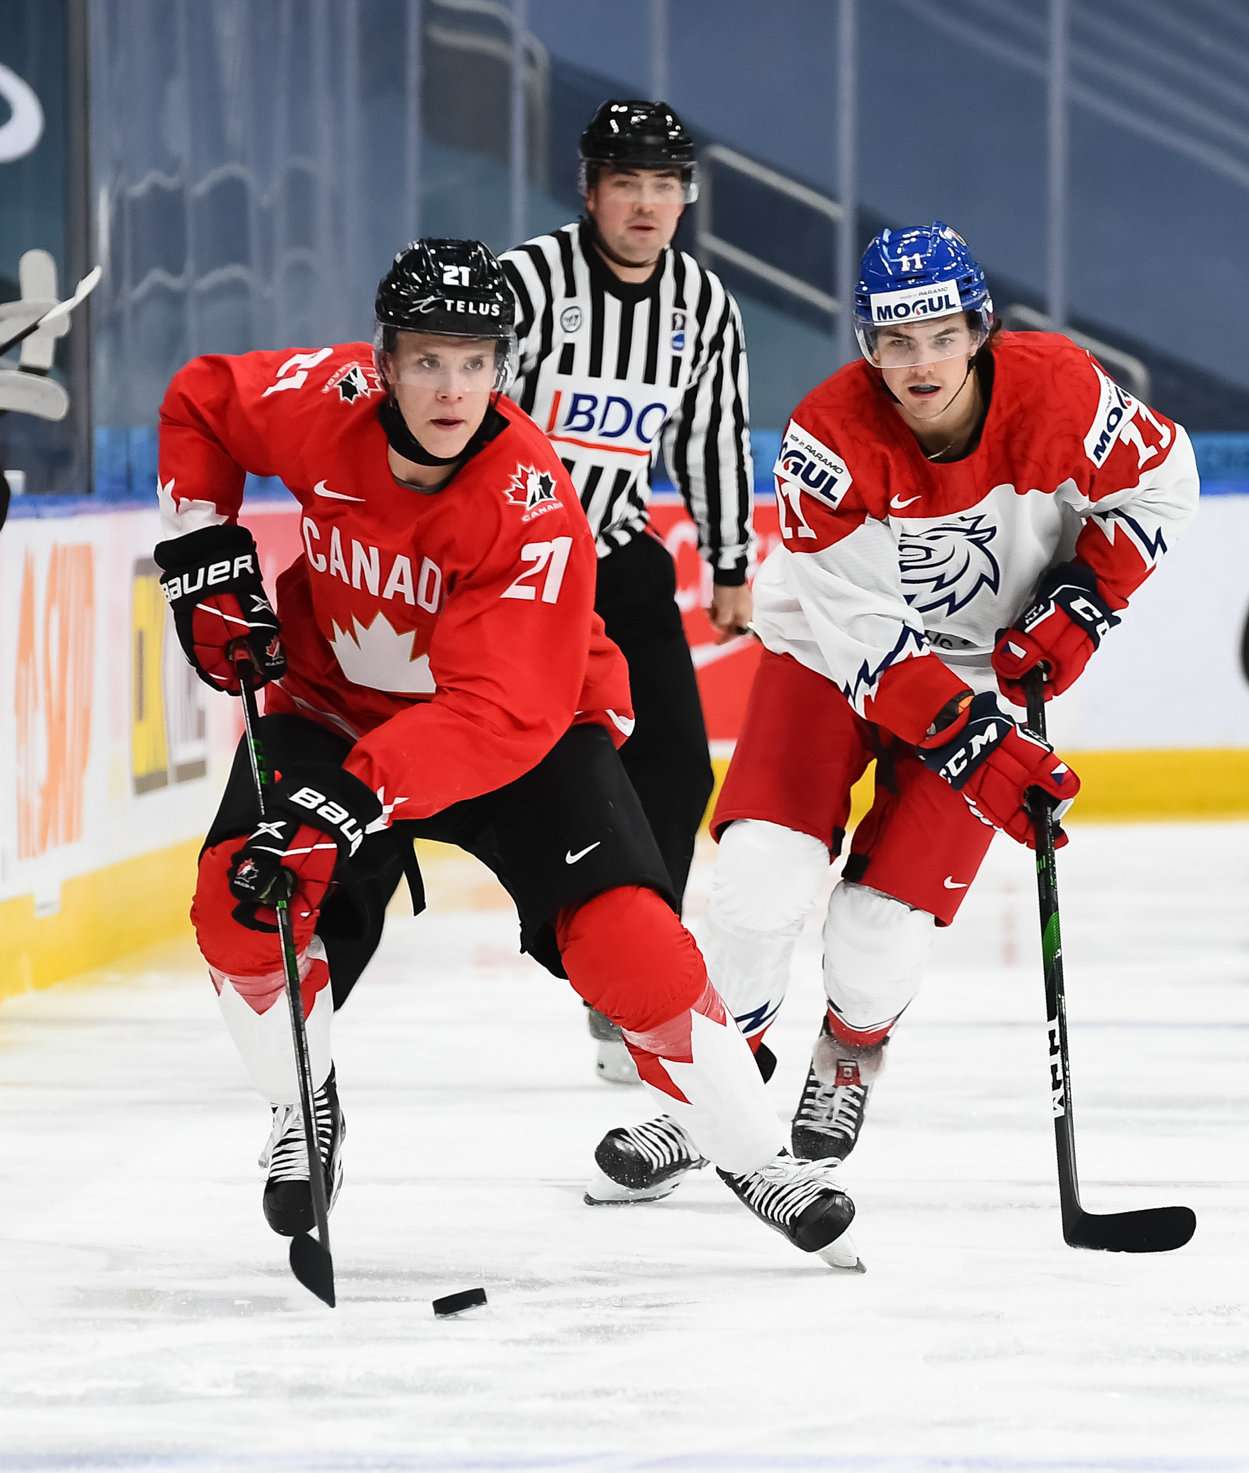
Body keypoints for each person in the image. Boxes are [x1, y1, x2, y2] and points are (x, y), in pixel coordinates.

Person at [155, 238, 859, 1266]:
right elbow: (201, 402)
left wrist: (348, 806)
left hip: (519, 736)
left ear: (504, 368)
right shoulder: (322, 399)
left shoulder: (530, 509)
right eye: (429, 360)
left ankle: (753, 1154)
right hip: (329, 708)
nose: (452, 388)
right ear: (383, 360)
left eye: (476, 361)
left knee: (631, 943)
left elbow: (496, 714)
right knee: (238, 900)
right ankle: (300, 1105)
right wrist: (198, 548)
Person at [584, 222, 1199, 1203]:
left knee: (873, 933)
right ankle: (712, 1093)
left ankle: (849, 1046)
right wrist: (984, 752)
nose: (919, 363)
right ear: (867, 344)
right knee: (754, 883)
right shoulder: (827, 436)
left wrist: (1089, 594)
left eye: (939, 336)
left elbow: (1159, 483)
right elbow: (867, 642)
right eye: (893, 340)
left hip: (984, 672)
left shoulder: (1060, 392)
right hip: (831, 657)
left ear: (979, 329)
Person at [500, 100, 753, 1083]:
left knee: (680, 772)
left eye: (664, 184)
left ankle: (631, 985)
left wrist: (729, 562)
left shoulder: (702, 305)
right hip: (518, 570)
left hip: (621, 559)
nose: (646, 204)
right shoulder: (524, 283)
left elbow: (708, 436)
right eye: (626, 183)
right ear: (588, 191)